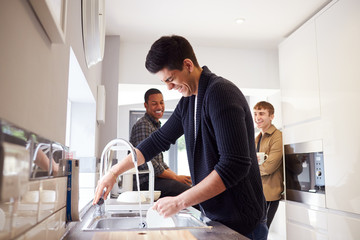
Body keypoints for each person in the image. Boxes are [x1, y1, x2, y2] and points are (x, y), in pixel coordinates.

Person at [93, 35, 267, 239]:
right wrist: (113, 173)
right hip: (215, 217)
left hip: (241, 222)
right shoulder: (189, 102)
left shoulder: (220, 93)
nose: (168, 87)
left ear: (188, 65)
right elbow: (156, 141)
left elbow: (233, 165)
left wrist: (179, 201)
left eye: (170, 79)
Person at [130, 88, 192, 197]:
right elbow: (148, 163)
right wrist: (176, 178)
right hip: (145, 183)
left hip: (155, 180)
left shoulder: (155, 126)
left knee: (188, 187)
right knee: (190, 194)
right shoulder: (143, 125)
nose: (159, 107)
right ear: (146, 105)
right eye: (154, 104)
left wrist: (177, 177)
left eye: (161, 102)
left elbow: (160, 163)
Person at [253, 101, 284, 229]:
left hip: (270, 195)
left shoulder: (278, 136)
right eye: (255, 114)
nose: (257, 117)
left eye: (261, 114)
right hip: (258, 194)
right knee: (255, 232)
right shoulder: (258, 137)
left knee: (261, 232)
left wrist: (251, 170)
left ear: (271, 116)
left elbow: (270, 166)